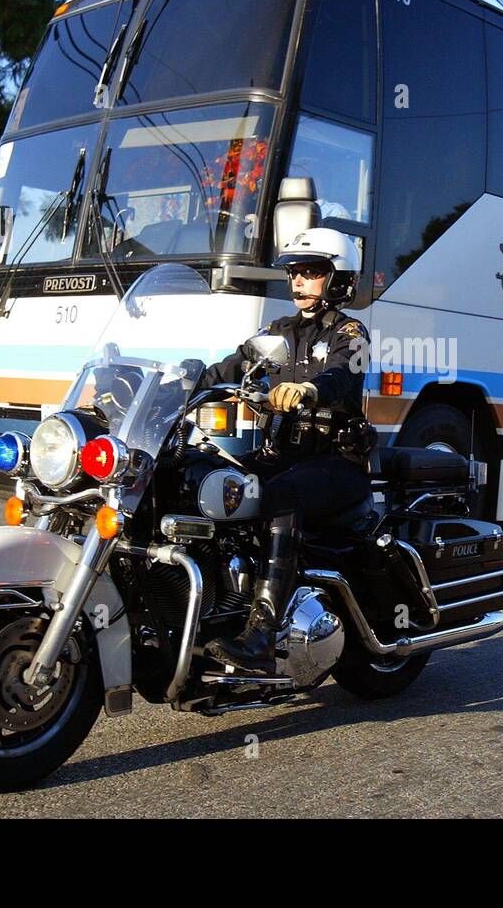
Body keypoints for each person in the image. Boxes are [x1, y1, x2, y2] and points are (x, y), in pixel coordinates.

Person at [198, 228, 374, 673]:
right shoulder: (278, 331)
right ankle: (215, 607)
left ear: (338, 278)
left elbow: (342, 376)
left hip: (336, 461)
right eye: (295, 272)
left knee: (279, 497)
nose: (298, 281)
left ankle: (262, 633)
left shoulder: (351, 333)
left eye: (312, 272)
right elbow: (232, 365)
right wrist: (179, 384)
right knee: (205, 479)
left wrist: (308, 390)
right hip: (285, 455)